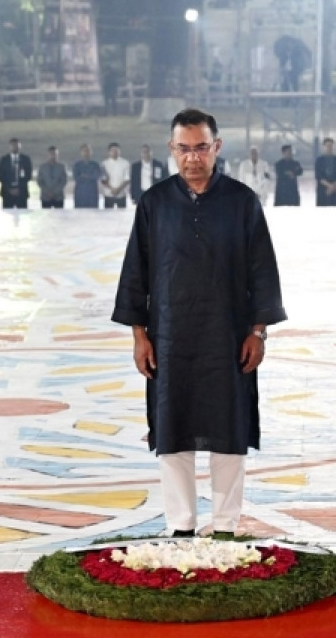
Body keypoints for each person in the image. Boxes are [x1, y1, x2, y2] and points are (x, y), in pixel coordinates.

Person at [112, 108, 286, 538]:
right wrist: (140, 337)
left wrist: (258, 332)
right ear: (172, 150)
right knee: (173, 430)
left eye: (201, 147)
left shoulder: (242, 203)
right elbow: (137, 273)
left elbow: (262, 271)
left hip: (228, 339)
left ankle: (226, 525)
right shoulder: (154, 204)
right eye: (184, 149)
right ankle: (181, 526)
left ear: (217, 148)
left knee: (230, 429)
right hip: (170, 338)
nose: (193, 157)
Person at [0, 137, 32, 209]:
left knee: (23, 216)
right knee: (7, 216)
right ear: (10, 146)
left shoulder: (26, 159)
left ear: (20, 146)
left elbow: (28, 176)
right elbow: (1, 176)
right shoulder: (4, 160)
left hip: (21, 193)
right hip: (7, 193)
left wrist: (19, 188)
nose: (15, 147)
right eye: (13, 145)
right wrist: (10, 189)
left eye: (17, 145)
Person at [314, 137, 336, 206]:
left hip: (335, 190)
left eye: (331, 146)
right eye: (327, 146)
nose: (329, 147)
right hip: (322, 190)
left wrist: (333, 186)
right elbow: (318, 176)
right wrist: (329, 185)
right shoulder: (319, 161)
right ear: (324, 147)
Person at [72, 144, 103, 208]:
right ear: (81, 153)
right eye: (84, 151)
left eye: (88, 151)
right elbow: (76, 177)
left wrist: (86, 176)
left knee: (93, 214)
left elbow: (98, 176)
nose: (87, 152)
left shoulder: (95, 164)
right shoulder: (77, 165)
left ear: (91, 152)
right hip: (80, 193)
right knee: (79, 213)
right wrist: (91, 176)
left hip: (92, 193)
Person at [100, 142, 130, 208]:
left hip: (121, 195)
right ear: (109, 152)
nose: (115, 152)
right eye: (113, 150)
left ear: (120, 151)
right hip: (108, 195)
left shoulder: (125, 163)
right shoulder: (104, 164)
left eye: (117, 150)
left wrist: (118, 189)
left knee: (122, 216)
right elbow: (103, 179)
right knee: (107, 216)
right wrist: (112, 189)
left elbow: (127, 179)